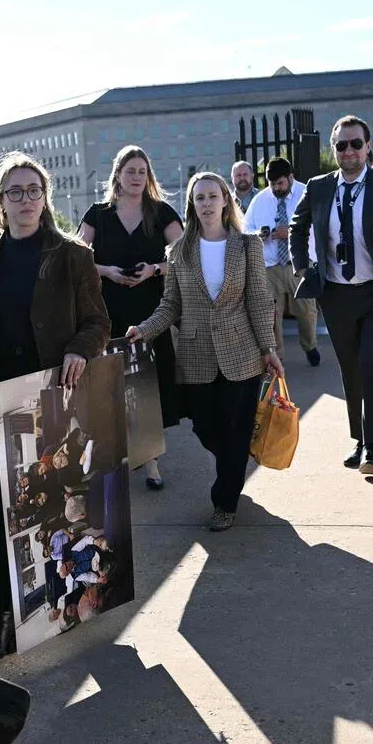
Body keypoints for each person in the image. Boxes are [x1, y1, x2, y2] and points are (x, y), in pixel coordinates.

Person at [0, 151, 109, 658]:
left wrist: (79, 350)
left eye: (33, 191)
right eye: (14, 192)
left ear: (46, 198)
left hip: (55, 401)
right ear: (0, 202)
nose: (25, 200)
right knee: (4, 518)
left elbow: (97, 322)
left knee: (61, 508)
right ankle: (4, 619)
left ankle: (69, 598)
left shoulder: (71, 256)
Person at [127, 172, 282, 533]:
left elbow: (259, 301)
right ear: (192, 206)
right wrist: (144, 330)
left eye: (213, 196)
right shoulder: (178, 251)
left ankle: (224, 502)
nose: (207, 203)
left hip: (242, 354)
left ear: (226, 200)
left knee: (237, 428)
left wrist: (268, 348)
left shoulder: (247, 246)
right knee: (206, 428)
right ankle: (233, 463)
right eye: (200, 198)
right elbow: (171, 306)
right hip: (196, 356)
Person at [290, 114, 373, 476]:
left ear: (368, 146)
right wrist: (304, 269)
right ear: (334, 150)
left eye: (355, 143)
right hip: (337, 296)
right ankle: (359, 438)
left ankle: (372, 448)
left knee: (371, 367)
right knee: (350, 370)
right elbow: (297, 231)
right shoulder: (318, 187)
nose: (349, 151)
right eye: (341, 145)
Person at [79, 145, 184, 490]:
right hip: (107, 312)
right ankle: (123, 456)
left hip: (152, 312)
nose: (137, 177)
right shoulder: (97, 214)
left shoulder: (162, 212)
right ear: (118, 175)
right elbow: (78, 260)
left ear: (148, 177)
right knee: (113, 386)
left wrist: (154, 269)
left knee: (148, 385)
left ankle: (150, 461)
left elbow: (188, 257)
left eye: (142, 171)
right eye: (131, 171)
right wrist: (107, 271)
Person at [243, 157, 321, 367]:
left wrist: (293, 232)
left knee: (306, 311)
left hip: (300, 263)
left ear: (290, 178)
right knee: (271, 315)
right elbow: (245, 229)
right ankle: (277, 357)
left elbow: (321, 224)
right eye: (272, 184)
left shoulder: (307, 193)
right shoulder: (259, 201)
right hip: (269, 266)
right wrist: (258, 234)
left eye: (280, 183)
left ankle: (310, 345)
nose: (276, 188)